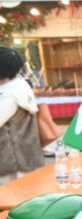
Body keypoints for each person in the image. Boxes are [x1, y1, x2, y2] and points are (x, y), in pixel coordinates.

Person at [0, 47, 43, 187]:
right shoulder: (17, 85)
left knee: (14, 202)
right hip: (22, 159)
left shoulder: (9, 96)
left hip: (14, 163)